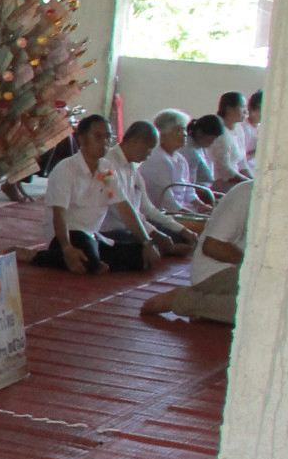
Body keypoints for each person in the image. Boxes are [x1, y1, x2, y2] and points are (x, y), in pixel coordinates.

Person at [34, 114, 158, 274]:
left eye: (108, 137)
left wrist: (147, 242)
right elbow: (59, 213)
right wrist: (66, 248)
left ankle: (93, 258)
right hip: (65, 234)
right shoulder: (66, 169)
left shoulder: (106, 169)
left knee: (140, 258)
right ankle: (38, 255)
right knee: (90, 260)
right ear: (82, 140)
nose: (105, 143)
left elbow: (124, 207)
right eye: (98, 137)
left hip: (93, 235)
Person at [141, 178, 251, 325]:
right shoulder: (246, 193)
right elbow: (212, 246)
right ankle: (186, 301)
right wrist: (254, 264)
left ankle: (211, 309)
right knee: (264, 309)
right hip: (220, 271)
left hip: (246, 271)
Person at [101, 121, 193, 256]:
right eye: (149, 148)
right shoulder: (107, 163)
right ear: (135, 141)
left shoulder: (132, 168)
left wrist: (181, 229)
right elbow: (120, 212)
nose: (149, 154)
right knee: (140, 252)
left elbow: (147, 208)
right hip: (112, 228)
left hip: (135, 224)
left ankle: (162, 248)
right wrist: (153, 234)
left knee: (181, 238)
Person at [186, 112, 245, 193]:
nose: (213, 142)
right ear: (200, 133)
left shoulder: (201, 146)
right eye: (212, 139)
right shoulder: (189, 151)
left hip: (206, 191)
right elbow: (189, 186)